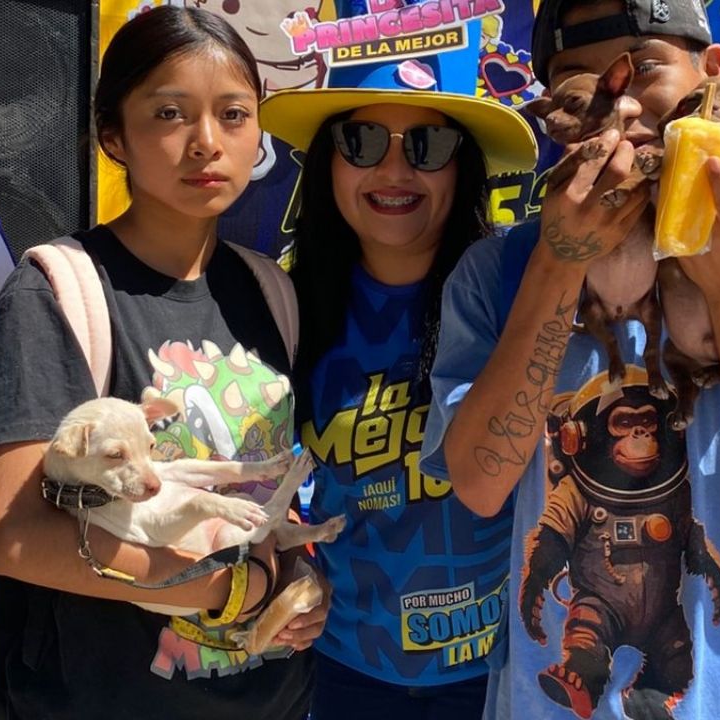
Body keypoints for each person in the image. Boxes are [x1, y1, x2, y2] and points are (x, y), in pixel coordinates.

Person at [420, 1, 720, 719]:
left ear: (711, 73)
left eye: (645, 67)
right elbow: (482, 486)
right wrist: (559, 262)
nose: (622, 103)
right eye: (583, 80)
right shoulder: (495, 274)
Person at [0, 8, 323, 719]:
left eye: (234, 114)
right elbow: (16, 536)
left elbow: (270, 491)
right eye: (169, 113)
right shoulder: (58, 291)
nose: (206, 142)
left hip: (272, 700)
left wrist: (294, 576)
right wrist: (232, 590)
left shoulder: (272, 292)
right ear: (113, 136)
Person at [257, 17, 539, 719]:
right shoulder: (283, 303)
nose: (393, 171)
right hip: (347, 673)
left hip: (508, 672)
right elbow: (268, 485)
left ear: (464, 165)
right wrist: (287, 563)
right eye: (361, 141)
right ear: (328, 161)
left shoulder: (526, 286)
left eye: (427, 145)